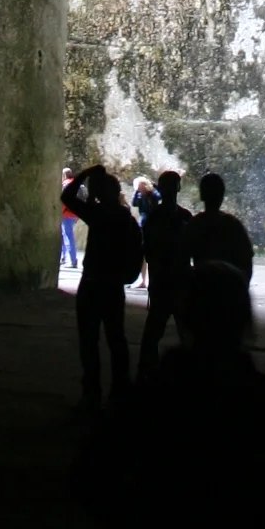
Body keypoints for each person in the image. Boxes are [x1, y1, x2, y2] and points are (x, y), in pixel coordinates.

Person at [74, 260, 265, 529]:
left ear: (186, 317)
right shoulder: (261, 399)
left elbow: (94, 474)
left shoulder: (153, 395)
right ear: (243, 318)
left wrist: (141, 520)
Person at [61, 164, 142, 409]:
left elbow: (66, 197)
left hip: (93, 283)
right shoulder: (124, 216)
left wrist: (83, 174)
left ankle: (92, 393)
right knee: (116, 338)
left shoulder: (98, 214)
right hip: (113, 284)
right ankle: (120, 390)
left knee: (89, 341)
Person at [137, 168, 192, 377]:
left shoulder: (153, 217)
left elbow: (148, 249)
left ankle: (144, 372)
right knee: (186, 330)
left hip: (161, 280)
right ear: (178, 187)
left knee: (153, 331)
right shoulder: (185, 216)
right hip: (179, 281)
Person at [179, 170, 253, 284]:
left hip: (202, 287)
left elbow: (182, 260)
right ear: (222, 195)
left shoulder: (195, 225)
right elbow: (247, 261)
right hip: (227, 289)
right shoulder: (233, 224)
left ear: (202, 195)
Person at [129, 175, 157, 287]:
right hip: (143, 223)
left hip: (152, 224)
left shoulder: (152, 194)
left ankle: (150, 279)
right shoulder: (139, 195)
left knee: (151, 253)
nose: (138, 188)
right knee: (143, 253)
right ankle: (143, 280)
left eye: (140, 186)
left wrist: (150, 190)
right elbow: (133, 203)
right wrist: (137, 192)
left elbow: (158, 197)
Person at [60, 167, 79, 270]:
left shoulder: (65, 184)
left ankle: (72, 260)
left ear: (64, 175)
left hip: (65, 214)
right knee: (64, 235)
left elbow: (62, 200)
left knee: (67, 236)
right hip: (74, 214)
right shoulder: (76, 184)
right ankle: (63, 258)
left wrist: (60, 212)